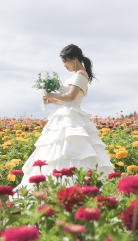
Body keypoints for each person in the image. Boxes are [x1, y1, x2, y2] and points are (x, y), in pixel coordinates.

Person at [19, 45, 114, 190]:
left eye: (65, 61)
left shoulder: (81, 75)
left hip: (71, 118)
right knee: (57, 152)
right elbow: (64, 100)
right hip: (65, 114)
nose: (64, 65)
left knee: (71, 151)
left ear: (74, 59)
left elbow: (71, 96)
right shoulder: (77, 75)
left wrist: (52, 95)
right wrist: (52, 100)